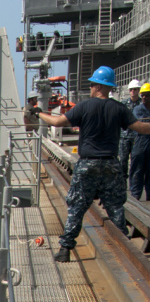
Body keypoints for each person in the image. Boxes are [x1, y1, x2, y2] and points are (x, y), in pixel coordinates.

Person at [39, 66, 150, 261]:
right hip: (111, 165)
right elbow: (141, 128)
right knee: (115, 208)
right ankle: (124, 250)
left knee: (77, 207)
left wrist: (38, 114)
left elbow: (56, 122)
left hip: (87, 164)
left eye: (91, 84)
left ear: (98, 86)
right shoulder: (120, 108)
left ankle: (65, 250)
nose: (90, 87)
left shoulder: (83, 106)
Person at [130, 83, 150, 201]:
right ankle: (135, 196)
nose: (143, 98)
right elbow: (140, 125)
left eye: (146, 96)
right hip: (141, 143)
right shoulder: (138, 109)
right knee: (137, 170)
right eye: (142, 95)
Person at [120, 79, 142, 179]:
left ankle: (134, 181)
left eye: (135, 89)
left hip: (137, 137)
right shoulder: (123, 104)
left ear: (138, 90)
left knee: (136, 161)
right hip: (124, 137)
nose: (133, 91)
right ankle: (123, 181)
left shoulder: (142, 104)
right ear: (129, 91)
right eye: (131, 89)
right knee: (123, 160)